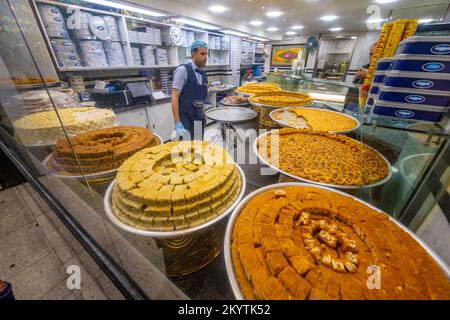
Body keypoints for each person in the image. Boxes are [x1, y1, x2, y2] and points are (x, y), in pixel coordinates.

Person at [171, 40, 209, 140]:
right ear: (193, 54)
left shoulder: (204, 75)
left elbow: (201, 100)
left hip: (198, 119)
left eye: (206, 54)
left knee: (198, 147)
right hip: (185, 120)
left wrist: (203, 116)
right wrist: (177, 121)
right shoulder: (182, 70)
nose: (205, 57)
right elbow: (174, 96)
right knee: (186, 151)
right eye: (202, 54)